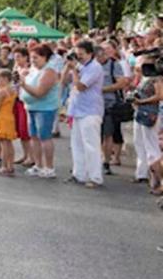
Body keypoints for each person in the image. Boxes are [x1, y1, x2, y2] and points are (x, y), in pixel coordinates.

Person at [64, 41, 105, 188]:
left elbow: (81, 86)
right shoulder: (80, 66)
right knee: (77, 144)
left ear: (90, 53)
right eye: (77, 53)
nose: (78, 57)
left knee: (91, 145)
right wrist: (68, 67)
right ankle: (79, 174)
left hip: (90, 110)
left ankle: (95, 177)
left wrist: (74, 71)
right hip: (77, 110)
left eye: (81, 54)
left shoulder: (95, 67)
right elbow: (63, 82)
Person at [19, 44, 61, 179]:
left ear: (45, 57)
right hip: (31, 107)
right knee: (34, 137)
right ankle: (38, 164)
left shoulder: (49, 72)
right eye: (31, 58)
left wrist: (23, 84)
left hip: (45, 109)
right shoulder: (34, 70)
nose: (33, 60)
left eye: (35, 58)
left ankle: (49, 167)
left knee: (45, 137)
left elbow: (40, 92)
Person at [97, 42, 129, 176]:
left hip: (109, 104)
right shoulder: (92, 65)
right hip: (93, 105)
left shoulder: (113, 65)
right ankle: (96, 160)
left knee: (108, 134)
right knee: (96, 135)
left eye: (105, 51)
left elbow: (122, 82)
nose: (102, 54)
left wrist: (103, 89)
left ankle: (106, 161)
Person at [131, 55, 163, 184]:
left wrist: (141, 101)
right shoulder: (145, 77)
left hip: (150, 113)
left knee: (152, 148)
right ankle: (143, 173)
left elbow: (160, 95)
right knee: (139, 142)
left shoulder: (156, 79)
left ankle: (158, 181)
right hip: (141, 112)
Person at [0, 70, 18, 176]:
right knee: (9, 143)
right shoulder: (12, 90)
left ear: (5, 79)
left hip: (2, 117)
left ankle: (4, 166)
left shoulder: (2, 91)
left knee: (4, 144)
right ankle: (10, 166)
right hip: (10, 117)